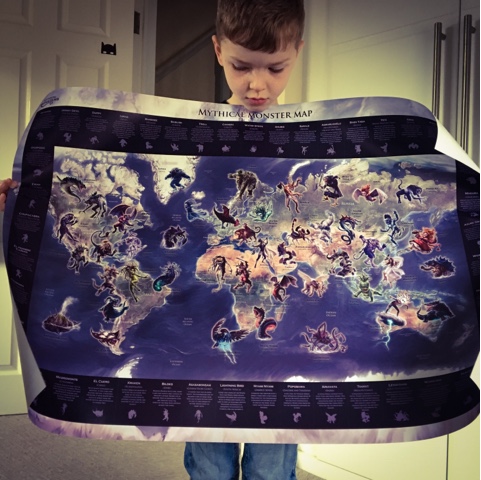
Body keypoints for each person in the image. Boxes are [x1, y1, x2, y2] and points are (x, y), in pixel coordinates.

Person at [184, 1, 304, 479]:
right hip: (210, 318)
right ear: (218, 51)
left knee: (272, 463)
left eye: (275, 68)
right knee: (209, 462)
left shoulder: (310, 138)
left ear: (297, 52)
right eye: (241, 66)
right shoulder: (192, 134)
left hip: (278, 330)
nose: (258, 85)